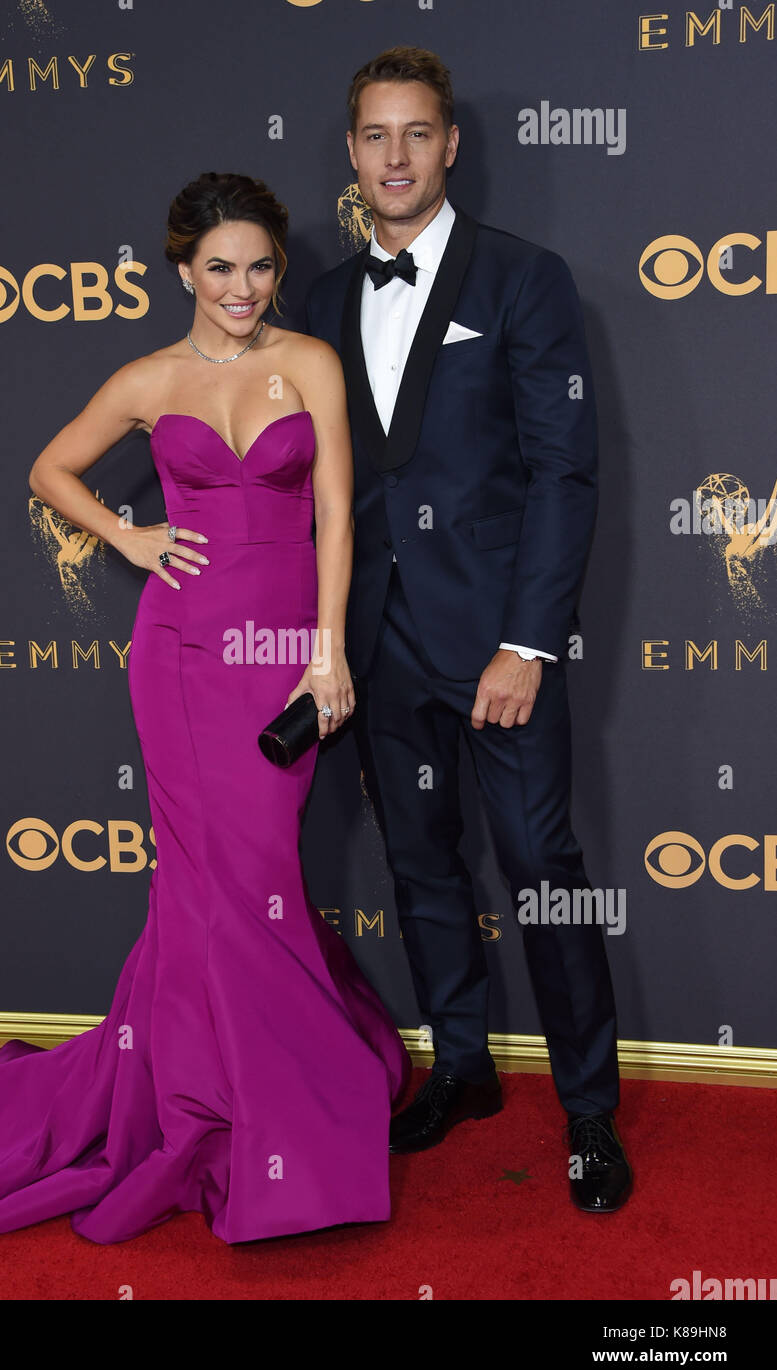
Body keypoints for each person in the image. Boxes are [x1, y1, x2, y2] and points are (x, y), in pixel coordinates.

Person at [0, 172, 411, 1245]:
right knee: (201, 883)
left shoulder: (307, 361)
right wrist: (126, 538)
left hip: (279, 660)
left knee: (257, 873)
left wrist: (325, 656)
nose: (241, 286)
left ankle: (261, 1096)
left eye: (259, 265)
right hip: (176, 659)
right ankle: (209, 1105)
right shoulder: (148, 377)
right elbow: (49, 468)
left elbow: (334, 520)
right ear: (182, 269)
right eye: (218, 266)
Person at [305, 47, 632, 1213]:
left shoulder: (523, 281)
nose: (395, 157)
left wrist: (527, 642)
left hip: (497, 643)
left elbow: (562, 471)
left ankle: (587, 1109)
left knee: (540, 864)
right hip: (377, 644)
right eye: (373, 136)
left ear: (450, 146)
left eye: (417, 134)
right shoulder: (317, 300)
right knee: (417, 864)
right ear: (350, 153)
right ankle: (460, 1065)